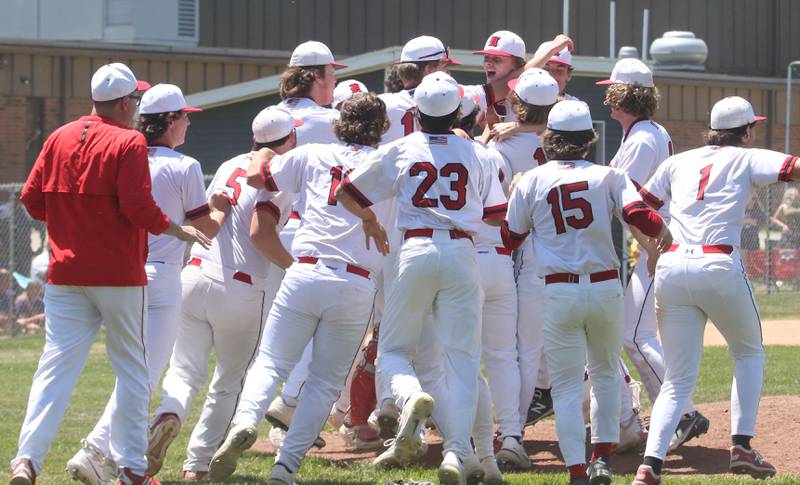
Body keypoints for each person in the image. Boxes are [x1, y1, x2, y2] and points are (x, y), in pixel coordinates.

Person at [11, 62, 210, 485]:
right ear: (123, 103)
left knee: (54, 370)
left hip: (65, 273)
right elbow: (138, 209)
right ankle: (132, 468)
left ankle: (26, 461)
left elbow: (31, 200)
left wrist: (69, 223)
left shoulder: (58, 135)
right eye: (134, 101)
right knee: (134, 370)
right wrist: (177, 228)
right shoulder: (129, 142)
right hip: (119, 275)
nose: (137, 108)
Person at [208, 92, 394, 485]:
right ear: (381, 127)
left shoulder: (313, 154)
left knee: (271, 361)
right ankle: (286, 466)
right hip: (357, 281)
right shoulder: (388, 161)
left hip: (305, 270)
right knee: (324, 382)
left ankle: (244, 422)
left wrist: (262, 151)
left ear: (339, 123)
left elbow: (258, 178)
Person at [337, 72, 507, 485]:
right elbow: (497, 215)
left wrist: (371, 221)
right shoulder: (478, 154)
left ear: (416, 113)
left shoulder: (401, 148)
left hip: (413, 249)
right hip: (461, 253)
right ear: (456, 113)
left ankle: (411, 397)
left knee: (395, 350)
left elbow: (346, 191)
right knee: (464, 360)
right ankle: (459, 452)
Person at [66, 83, 230, 484]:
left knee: (134, 372)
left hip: (121, 272)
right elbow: (205, 228)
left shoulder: (124, 154)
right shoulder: (184, 165)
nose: (188, 122)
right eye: (184, 116)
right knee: (144, 374)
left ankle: (108, 457)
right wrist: (222, 209)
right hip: (160, 276)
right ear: (170, 121)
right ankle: (102, 456)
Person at [503, 100, 671, 485]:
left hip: (558, 290)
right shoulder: (608, 176)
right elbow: (641, 216)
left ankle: (577, 469)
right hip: (604, 287)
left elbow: (511, 237)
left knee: (565, 385)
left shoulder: (531, 179)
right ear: (589, 140)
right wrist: (664, 233)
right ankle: (601, 459)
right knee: (605, 375)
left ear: (550, 141)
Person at [633, 96, 797, 484]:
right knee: (748, 351)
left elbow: (639, 207)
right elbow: (794, 168)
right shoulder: (745, 156)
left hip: (672, 265)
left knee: (676, 378)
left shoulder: (678, 161)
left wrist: (656, 242)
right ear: (747, 131)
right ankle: (741, 446)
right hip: (718, 263)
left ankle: (650, 465)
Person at [146, 106, 298, 481]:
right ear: (290, 139)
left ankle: (170, 412)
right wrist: (296, 269)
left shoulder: (230, 163)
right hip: (242, 287)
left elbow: (206, 220)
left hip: (195, 273)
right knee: (230, 380)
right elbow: (260, 233)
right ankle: (197, 463)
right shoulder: (279, 173)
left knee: (183, 370)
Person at [598, 58, 710, 453]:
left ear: (624, 95)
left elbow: (625, 200)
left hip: (658, 241)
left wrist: (650, 247)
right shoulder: (646, 133)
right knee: (634, 334)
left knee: (633, 335)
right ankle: (678, 412)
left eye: (611, 91)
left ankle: (682, 414)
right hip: (657, 239)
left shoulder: (643, 138)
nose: (607, 100)